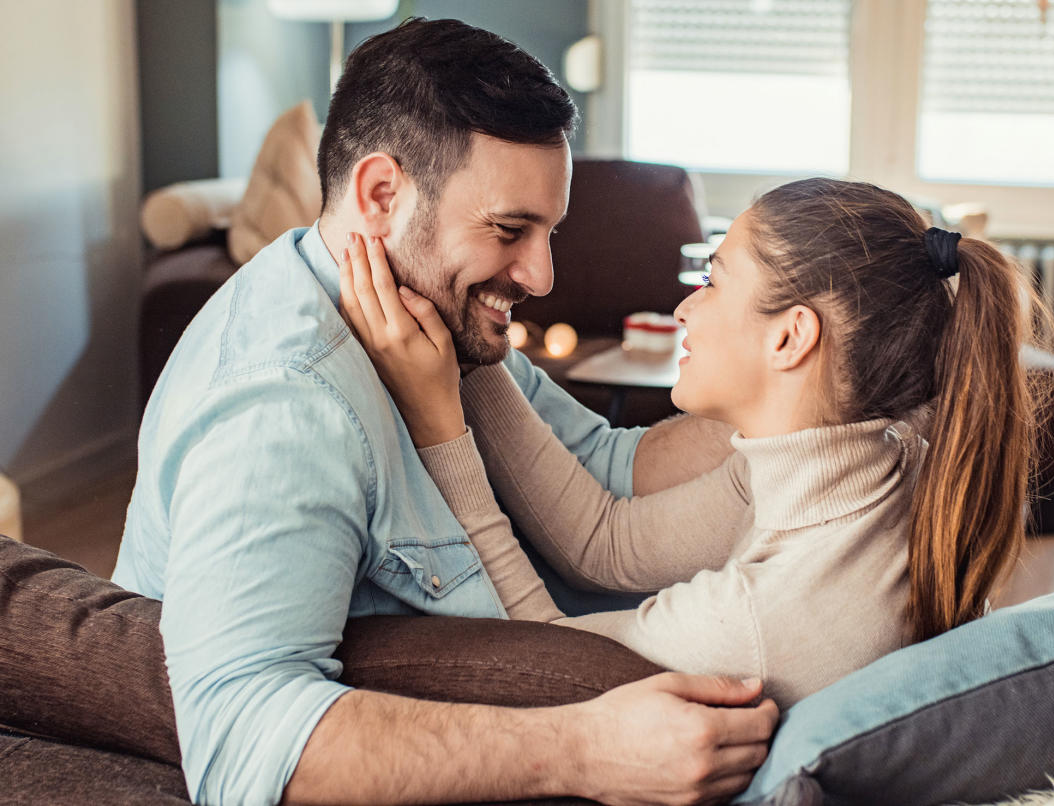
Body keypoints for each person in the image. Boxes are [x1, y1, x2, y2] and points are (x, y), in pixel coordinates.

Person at [112, 17, 776, 806]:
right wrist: (584, 749)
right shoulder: (286, 405)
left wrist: (808, 404)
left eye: (549, 231)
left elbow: (603, 468)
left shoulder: (427, 325)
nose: (541, 274)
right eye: (509, 230)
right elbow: (244, 741)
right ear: (382, 195)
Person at [338, 176, 1054, 709]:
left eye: (713, 280)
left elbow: (542, 652)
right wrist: (470, 350)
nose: (687, 305)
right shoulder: (868, 458)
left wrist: (439, 419)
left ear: (790, 336)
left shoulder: (758, 618)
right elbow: (606, 541)